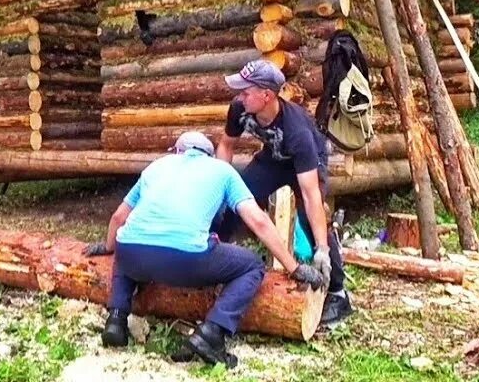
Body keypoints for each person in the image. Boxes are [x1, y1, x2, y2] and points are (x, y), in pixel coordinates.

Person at [85, 131, 325, 368]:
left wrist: (108, 248)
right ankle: (212, 332)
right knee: (252, 265)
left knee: (127, 245)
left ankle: (116, 319)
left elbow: (118, 218)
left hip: (132, 253)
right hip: (185, 258)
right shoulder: (222, 171)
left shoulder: (157, 166)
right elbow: (259, 221)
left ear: (178, 151)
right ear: (209, 155)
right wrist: (293, 267)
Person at [214, 60, 352, 325]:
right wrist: (219, 184)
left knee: (308, 218)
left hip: (308, 160)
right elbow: (227, 145)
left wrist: (321, 248)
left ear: (266, 96)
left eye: (246, 91)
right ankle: (217, 255)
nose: (240, 96)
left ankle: (338, 294)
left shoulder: (297, 131)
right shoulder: (239, 109)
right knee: (237, 199)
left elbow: (312, 196)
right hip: (274, 158)